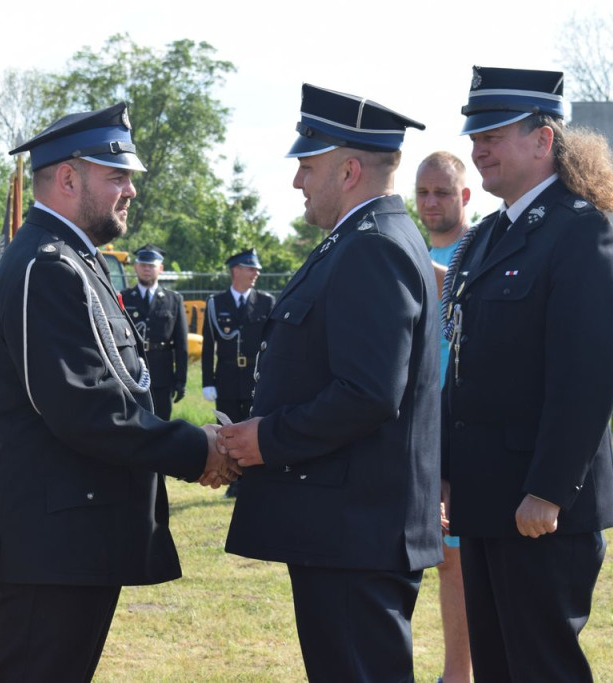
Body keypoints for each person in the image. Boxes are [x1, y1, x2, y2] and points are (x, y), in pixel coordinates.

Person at [0, 102, 234, 682]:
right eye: (117, 176)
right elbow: (85, 410)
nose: (131, 190)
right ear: (68, 178)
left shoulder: (73, 260)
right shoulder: (48, 266)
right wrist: (199, 449)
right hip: (50, 543)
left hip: (69, 536)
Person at [218, 83, 441, 681]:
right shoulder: (359, 241)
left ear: (347, 170)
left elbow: (367, 393)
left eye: (306, 166)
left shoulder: (372, 248)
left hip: (356, 530)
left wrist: (268, 438)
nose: (296, 182)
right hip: (345, 527)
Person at [442, 65, 613, 682]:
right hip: (487, 495)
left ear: (543, 139)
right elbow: (464, 365)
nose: (479, 149)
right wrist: (449, 473)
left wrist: (550, 488)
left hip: (540, 508)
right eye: (475, 136)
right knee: (499, 666)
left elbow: (588, 375)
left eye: (494, 134)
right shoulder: (490, 236)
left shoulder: (580, 231)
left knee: (542, 668)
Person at [415, 151, 473, 683]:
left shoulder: (477, 251)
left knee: (456, 559)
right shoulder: (421, 253)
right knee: (440, 558)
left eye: (442, 193)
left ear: (465, 197)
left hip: (465, 431)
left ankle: (459, 673)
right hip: (421, 428)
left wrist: (409, 258)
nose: (431, 203)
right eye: (423, 193)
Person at [201, 247, 274, 497]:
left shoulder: (266, 302)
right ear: (236, 271)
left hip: (255, 379)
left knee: (252, 428)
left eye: (257, 269)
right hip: (227, 378)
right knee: (229, 431)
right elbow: (209, 346)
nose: (255, 273)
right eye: (250, 268)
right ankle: (232, 480)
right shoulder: (216, 303)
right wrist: (207, 381)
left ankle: (252, 480)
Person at [119, 244, 188, 420]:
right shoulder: (123, 298)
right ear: (136, 267)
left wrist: (181, 380)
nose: (146, 269)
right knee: (134, 423)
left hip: (162, 374)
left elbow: (181, 344)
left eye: (151, 266)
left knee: (163, 423)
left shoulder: (174, 299)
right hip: (131, 371)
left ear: (161, 268)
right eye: (143, 265)